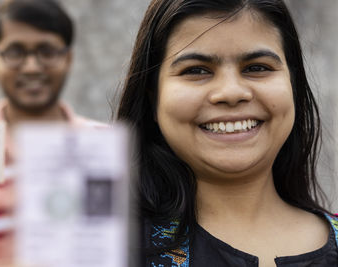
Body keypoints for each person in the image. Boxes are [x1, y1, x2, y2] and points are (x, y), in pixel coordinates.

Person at [117, 0, 338, 266]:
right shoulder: (102, 246)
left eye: (257, 67)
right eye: (196, 70)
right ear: (153, 98)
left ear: (293, 85)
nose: (231, 93)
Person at [0, 0, 104, 263]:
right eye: (15, 52)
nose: (31, 67)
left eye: (47, 51)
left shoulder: (100, 145)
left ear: (68, 57)